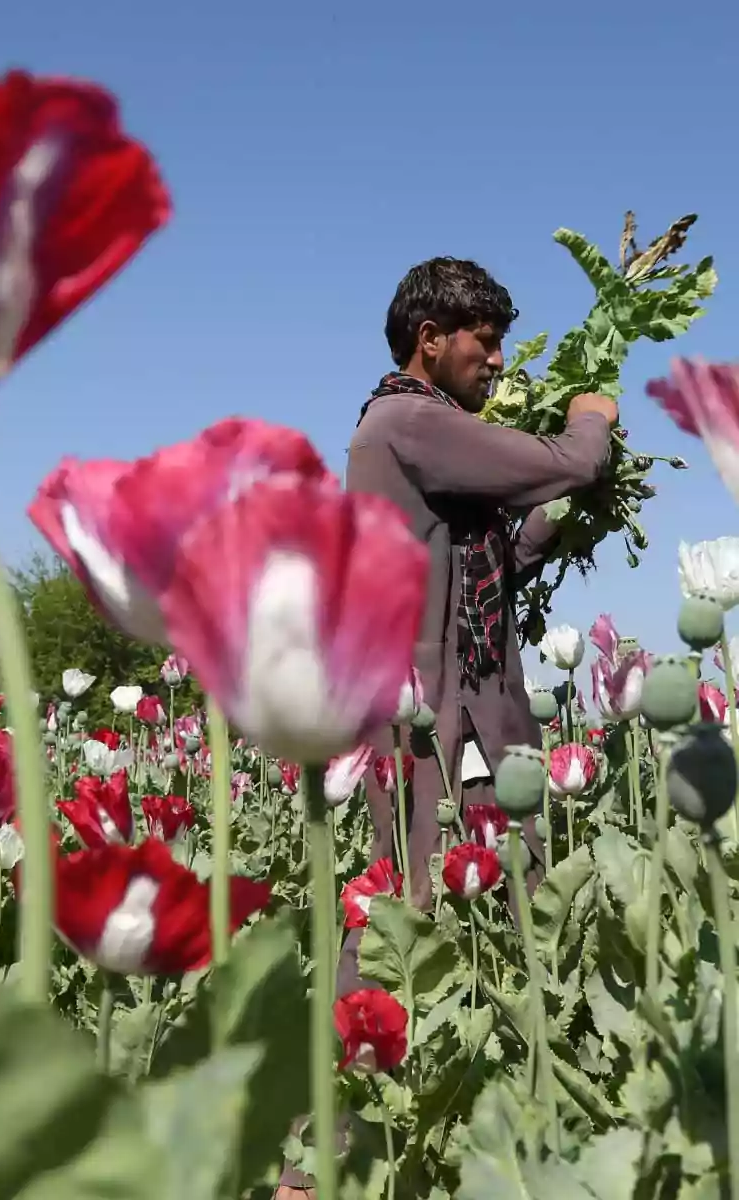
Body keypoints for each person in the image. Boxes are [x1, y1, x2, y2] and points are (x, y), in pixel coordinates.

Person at [275, 257, 616, 1198]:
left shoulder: (423, 439)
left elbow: (499, 547)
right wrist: (593, 416)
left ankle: (511, 1111)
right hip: (429, 718)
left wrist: (566, 516)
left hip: (464, 711)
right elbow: (569, 459)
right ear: (433, 339)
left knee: (508, 892)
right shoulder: (408, 422)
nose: (499, 359)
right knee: (401, 916)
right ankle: (315, 1156)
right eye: (484, 340)